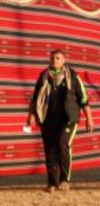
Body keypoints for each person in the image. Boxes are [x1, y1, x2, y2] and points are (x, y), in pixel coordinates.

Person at [25, 50, 93, 192]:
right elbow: (35, 97)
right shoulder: (44, 76)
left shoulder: (73, 76)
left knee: (63, 144)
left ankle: (64, 180)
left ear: (64, 60)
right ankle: (52, 183)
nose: (54, 61)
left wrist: (89, 118)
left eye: (58, 58)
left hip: (69, 119)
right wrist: (30, 115)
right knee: (49, 150)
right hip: (48, 119)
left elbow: (84, 99)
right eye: (52, 58)